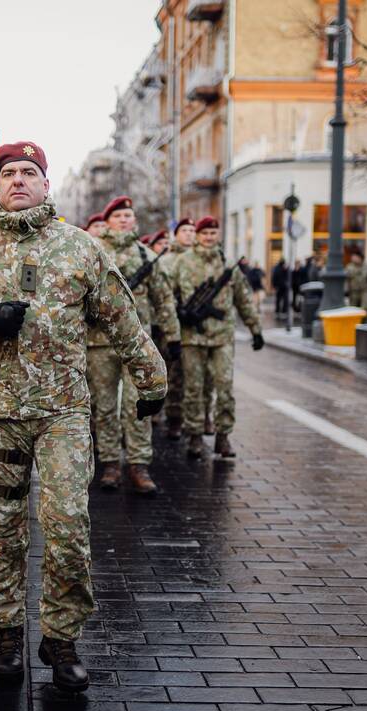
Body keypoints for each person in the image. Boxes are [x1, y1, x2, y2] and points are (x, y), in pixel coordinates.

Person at [0, 141, 166, 693]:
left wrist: (152, 379)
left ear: (46, 183)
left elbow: (122, 317)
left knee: (67, 526)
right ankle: (6, 633)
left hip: (63, 413)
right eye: (8, 173)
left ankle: (61, 637)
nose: (20, 180)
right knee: (2, 528)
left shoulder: (81, 249)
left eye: (30, 172)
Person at [86, 194, 179, 494]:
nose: (125, 220)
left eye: (129, 216)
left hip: (138, 344)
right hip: (100, 342)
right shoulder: (94, 252)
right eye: (118, 216)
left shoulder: (146, 257)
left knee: (139, 406)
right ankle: (111, 462)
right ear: (108, 221)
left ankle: (138, 464)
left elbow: (163, 299)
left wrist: (173, 334)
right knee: (105, 406)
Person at [168, 216, 263, 459]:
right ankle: (195, 436)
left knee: (224, 387)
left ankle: (223, 436)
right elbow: (167, 296)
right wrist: (179, 315)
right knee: (194, 388)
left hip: (222, 336)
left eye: (213, 233)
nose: (209, 237)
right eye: (205, 233)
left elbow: (243, 299)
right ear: (198, 236)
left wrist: (255, 329)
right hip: (192, 337)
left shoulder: (228, 265)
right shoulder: (182, 262)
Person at [163, 218, 196, 440]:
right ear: (176, 233)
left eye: (192, 230)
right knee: (174, 374)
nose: (189, 234)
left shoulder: (201, 258)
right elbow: (164, 293)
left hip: (198, 327)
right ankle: (174, 417)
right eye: (184, 230)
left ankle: (198, 418)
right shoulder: (167, 260)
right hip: (174, 323)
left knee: (197, 378)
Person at [345, 251, 367, 319]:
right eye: (353, 257)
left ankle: (364, 323)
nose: (353, 258)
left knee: (365, 309)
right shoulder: (349, 268)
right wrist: (346, 290)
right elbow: (346, 280)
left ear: (360, 258)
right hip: (353, 292)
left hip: (364, 291)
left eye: (355, 257)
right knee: (353, 309)